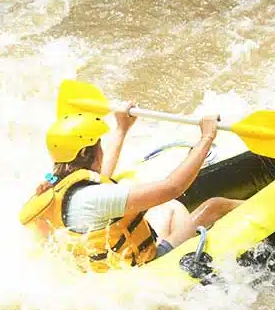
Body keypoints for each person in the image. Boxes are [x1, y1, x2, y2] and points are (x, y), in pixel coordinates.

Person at [18, 102, 244, 272]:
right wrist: (206, 137)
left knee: (164, 211)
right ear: (87, 152)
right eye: (99, 146)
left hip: (107, 271)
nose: (102, 151)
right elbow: (172, 187)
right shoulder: (95, 198)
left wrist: (121, 128)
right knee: (213, 206)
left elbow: (102, 175)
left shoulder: (56, 188)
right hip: (143, 269)